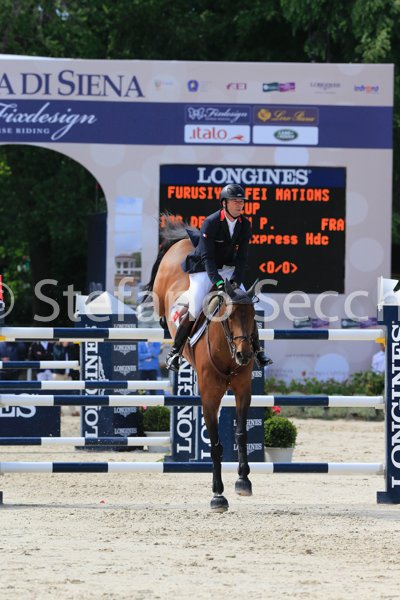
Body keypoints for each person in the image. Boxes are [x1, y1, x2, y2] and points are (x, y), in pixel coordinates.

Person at [166, 183, 272, 372]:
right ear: (224, 203)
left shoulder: (245, 224)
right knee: (195, 306)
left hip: (228, 269)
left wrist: (235, 281)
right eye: (235, 201)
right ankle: (175, 352)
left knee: (245, 304)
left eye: (241, 201)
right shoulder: (211, 222)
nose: (240, 204)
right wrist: (219, 282)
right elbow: (207, 257)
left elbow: (242, 257)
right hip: (204, 269)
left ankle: (257, 351)